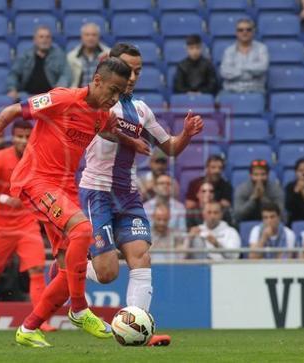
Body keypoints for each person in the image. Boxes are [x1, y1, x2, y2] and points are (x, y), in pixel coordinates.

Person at [0, 57, 134, 347]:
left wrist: (132, 140)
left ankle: (29, 328)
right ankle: (79, 309)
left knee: (71, 268)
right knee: (81, 231)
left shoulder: (101, 115)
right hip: (36, 180)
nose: (114, 98)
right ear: (97, 81)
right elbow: (9, 112)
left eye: (121, 94)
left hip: (65, 189)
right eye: (113, 90)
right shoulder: (61, 98)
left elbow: (107, 129)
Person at [80, 43, 203, 347]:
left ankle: (138, 331)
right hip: (97, 191)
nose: (133, 76)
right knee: (107, 273)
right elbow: (103, 129)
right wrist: (130, 141)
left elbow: (170, 147)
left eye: (138, 71)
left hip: (128, 195)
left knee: (141, 257)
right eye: (127, 69)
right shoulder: (96, 99)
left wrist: (186, 134)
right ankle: (72, 264)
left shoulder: (142, 110)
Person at [0, 120, 48, 332]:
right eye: (19, 136)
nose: (23, 140)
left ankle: (40, 321)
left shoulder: (38, 160)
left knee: (36, 270)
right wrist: (4, 199)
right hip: (0, 226)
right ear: (13, 137)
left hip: (27, 224)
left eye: (27, 136)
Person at [7, 26, 71, 100]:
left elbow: (66, 74)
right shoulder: (25, 56)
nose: (45, 40)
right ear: (34, 40)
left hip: (50, 98)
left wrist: (59, 89)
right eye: (41, 37)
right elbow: (14, 74)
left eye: (48, 37)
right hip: (27, 97)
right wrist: (12, 89)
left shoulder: (59, 55)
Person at [220, 19, 269, 94]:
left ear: (253, 32)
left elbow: (262, 67)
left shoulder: (261, 48)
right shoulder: (229, 50)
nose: (244, 32)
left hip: (255, 91)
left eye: (248, 30)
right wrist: (249, 73)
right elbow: (225, 72)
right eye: (240, 30)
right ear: (236, 33)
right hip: (232, 91)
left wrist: (238, 69)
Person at [67, 23, 110, 88]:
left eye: (94, 35)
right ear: (81, 37)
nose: (90, 38)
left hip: (100, 94)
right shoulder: (72, 57)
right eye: (87, 35)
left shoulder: (108, 54)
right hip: (78, 94)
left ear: (99, 37)